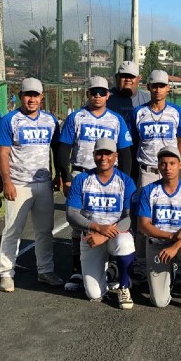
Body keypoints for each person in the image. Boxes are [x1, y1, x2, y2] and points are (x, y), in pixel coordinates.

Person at [57, 76, 133, 291]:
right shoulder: (76, 117)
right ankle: (77, 270)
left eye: (101, 92)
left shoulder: (116, 120)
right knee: (77, 226)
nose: (97, 96)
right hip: (81, 174)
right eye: (93, 92)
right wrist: (66, 176)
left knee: (112, 218)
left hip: (111, 176)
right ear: (88, 93)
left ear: (108, 95)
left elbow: (125, 153)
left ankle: (112, 266)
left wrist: (124, 179)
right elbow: (63, 148)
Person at [0, 78, 63, 292]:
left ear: (41, 97)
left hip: (43, 183)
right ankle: (6, 273)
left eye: (35, 95)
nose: (31, 99)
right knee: (12, 230)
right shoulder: (10, 120)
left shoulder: (50, 121)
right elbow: (2, 153)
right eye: (27, 95)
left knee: (44, 231)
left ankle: (45, 270)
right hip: (18, 183)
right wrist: (6, 181)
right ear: (20, 96)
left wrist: (59, 174)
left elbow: (56, 150)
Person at [65, 137, 136, 308]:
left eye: (108, 153)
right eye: (99, 153)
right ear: (93, 155)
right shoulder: (82, 179)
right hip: (91, 236)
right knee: (94, 294)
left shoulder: (126, 181)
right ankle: (111, 272)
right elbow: (71, 214)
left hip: (115, 234)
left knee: (125, 243)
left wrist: (104, 235)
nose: (103, 158)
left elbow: (130, 217)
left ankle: (124, 286)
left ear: (116, 156)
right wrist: (96, 227)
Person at [137, 146, 181, 311]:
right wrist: (171, 236)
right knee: (160, 302)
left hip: (180, 244)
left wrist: (175, 246)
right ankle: (172, 270)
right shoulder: (149, 191)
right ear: (158, 166)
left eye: (172, 163)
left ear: (180, 165)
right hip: (157, 244)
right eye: (163, 163)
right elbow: (144, 225)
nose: (167, 168)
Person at [131, 69, 181, 187]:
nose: (158, 90)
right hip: (147, 170)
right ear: (148, 87)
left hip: (169, 170)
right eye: (154, 86)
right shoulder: (138, 112)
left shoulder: (177, 111)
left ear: (168, 88)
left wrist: (174, 160)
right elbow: (134, 141)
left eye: (161, 86)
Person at [107, 60, 150, 126]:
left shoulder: (148, 99)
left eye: (131, 76)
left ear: (139, 78)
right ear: (116, 77)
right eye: (124, 76)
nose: (127, 79)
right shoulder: (105, 98)